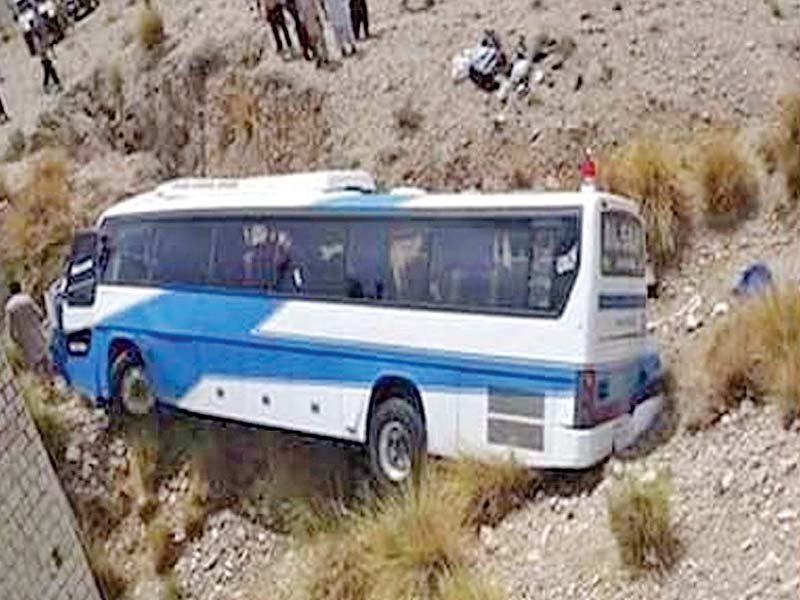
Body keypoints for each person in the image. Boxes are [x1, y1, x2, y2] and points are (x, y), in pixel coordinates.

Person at [4, 282, 50, 374]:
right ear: (20, 288)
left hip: (25, 340)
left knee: (35, 366)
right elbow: (39, 314)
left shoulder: (9, 307)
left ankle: (43, 384)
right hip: (37, 334)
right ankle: (51, 381)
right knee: (46, 360)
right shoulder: (27, 299)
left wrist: (16, 341)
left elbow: (11, 330)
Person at [296, 0, 329, 67]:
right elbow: (300, 10)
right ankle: (319, 57)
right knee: (314, 40)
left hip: (315, 18)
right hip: (309, 21)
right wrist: (303, 21)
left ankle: (325, 56)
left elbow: (317, 6)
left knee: (321, 39)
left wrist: (320, 17)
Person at [34, 27, 62, 94]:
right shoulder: (38, 42)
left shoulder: (40, 40)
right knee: (49, 73)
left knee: (51, 72)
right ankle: (50, 86)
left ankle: (57, 85)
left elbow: (47, 47)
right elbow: (41, 50)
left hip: (46, 58)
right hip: (45, 59)